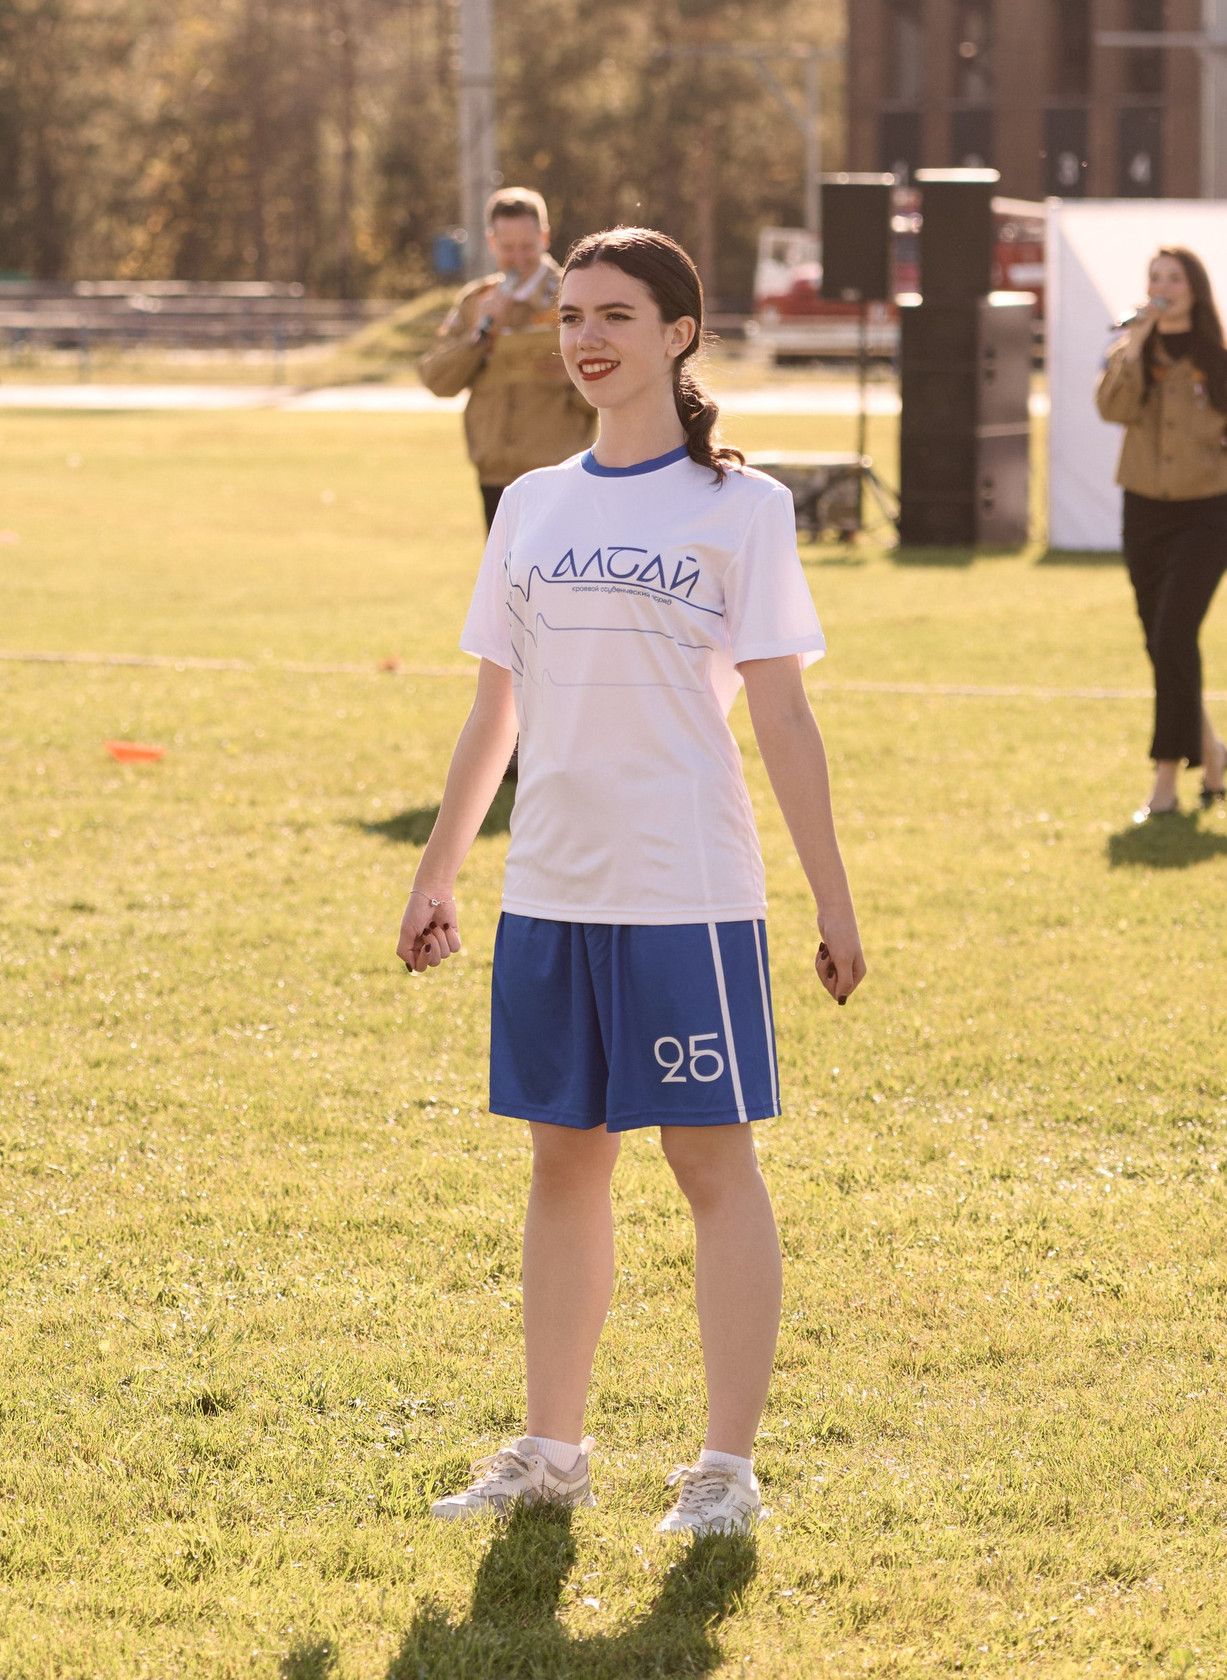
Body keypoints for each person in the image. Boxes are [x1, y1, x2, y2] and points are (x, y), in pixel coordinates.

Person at [399, 227, 865, 1538]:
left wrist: (831, 898)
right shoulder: (536, 504)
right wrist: (440, 873)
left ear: (679, 334)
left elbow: (782, 722)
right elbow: (495, 713)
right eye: (570, 315)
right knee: (563, 1161)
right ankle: (550, 1451)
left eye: (616, 312)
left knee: (711, 1163)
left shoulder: (743, 508)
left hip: (687, 890)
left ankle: (725, 1471)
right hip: (551, 884)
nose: (587, 334)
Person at [1096, 246, 1227, 820]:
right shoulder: (1130, 353)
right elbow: (1112, 409)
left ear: (1195, 288)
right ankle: (1212, 751)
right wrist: (1134, 343)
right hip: (1145, 515)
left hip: (1205, 517)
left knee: (1175, 636)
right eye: (1154, 278)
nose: (1162, 287)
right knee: (1161, 643)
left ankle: (1164, 780)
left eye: (1173, 278)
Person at [420, 187, 597, 531]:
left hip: (559, 474)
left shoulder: (578, 294)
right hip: (494, 477)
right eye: (507, 248)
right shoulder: (475, 302)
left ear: (544, 237)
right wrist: (478, 337)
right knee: (502, 583)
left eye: (527, 247)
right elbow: (437, 381)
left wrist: (575, 377)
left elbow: (620, 391)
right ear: (491, 243)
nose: (517, 258)